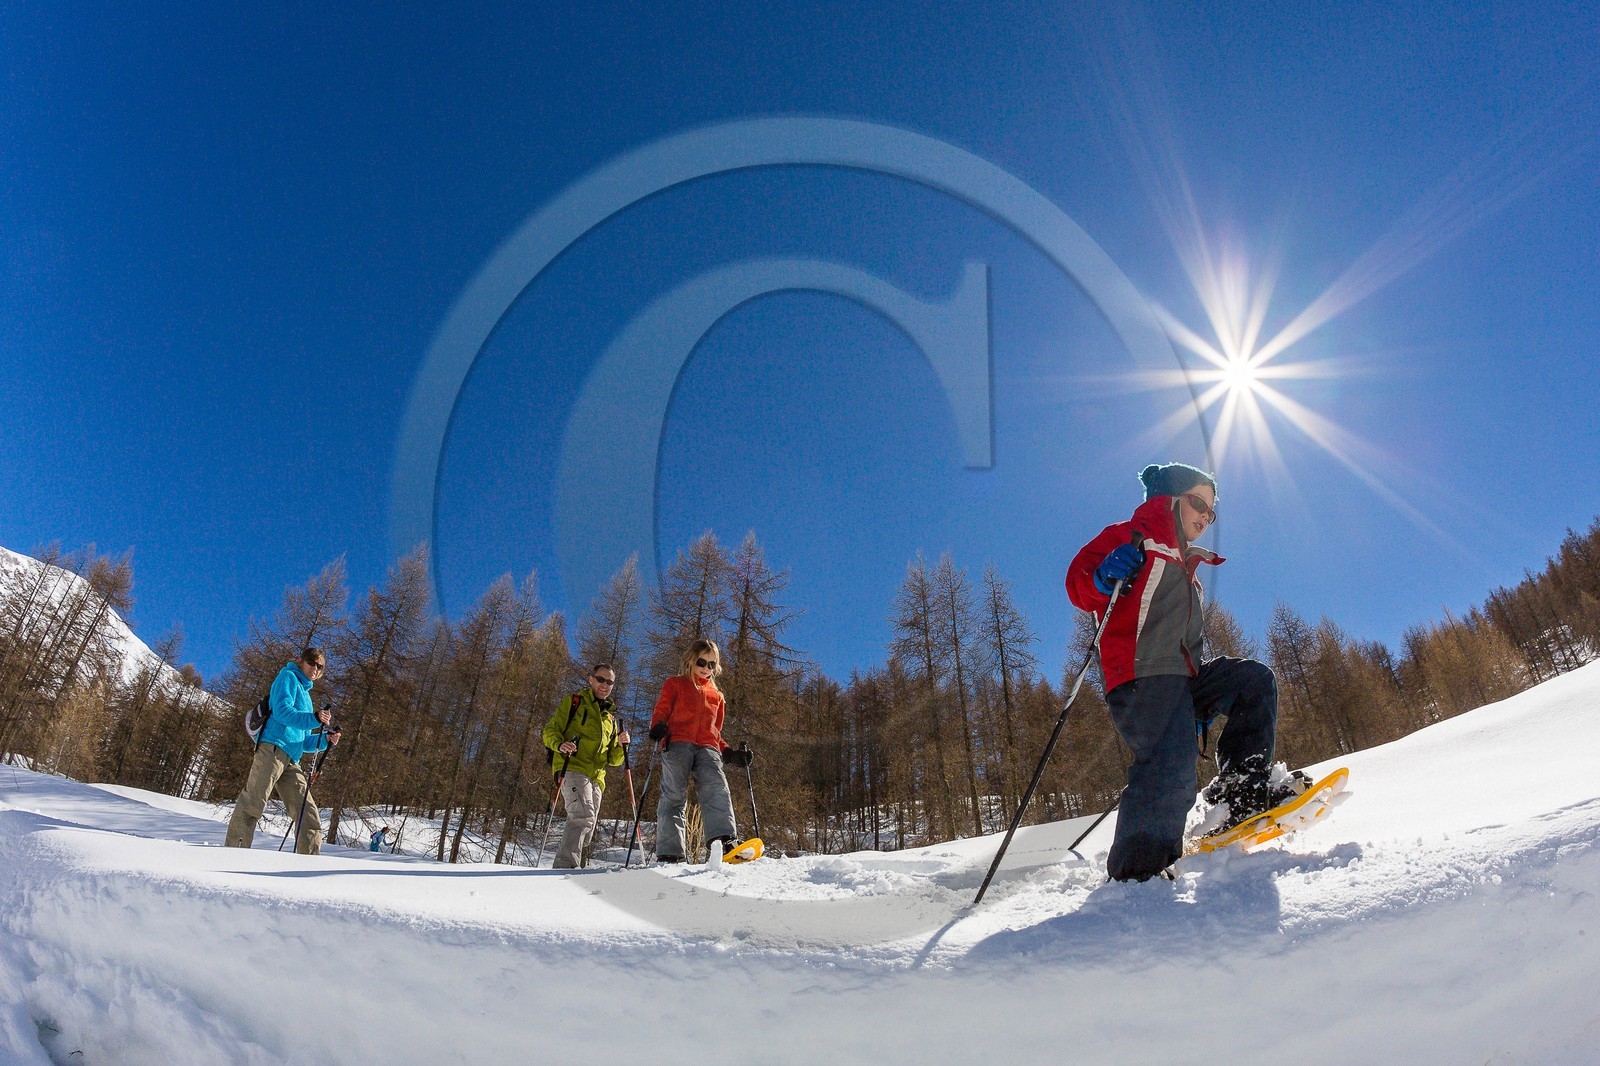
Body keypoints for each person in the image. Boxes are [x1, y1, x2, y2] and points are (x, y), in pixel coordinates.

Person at [1067, 462, 1296, 883]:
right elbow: (1078, 584)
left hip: (1184, 678)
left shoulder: (1188, 567)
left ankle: (1240, 794)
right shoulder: (1131, 537)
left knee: (1253, 681)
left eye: (1212, 513)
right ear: (1168, 499)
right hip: (1141, 675)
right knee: (1172, 768)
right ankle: (1138, 876)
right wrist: (1102, 577)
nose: (1206, 518)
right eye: (1199, 504)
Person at [224, 647, 341, 854]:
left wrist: (326, 739)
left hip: (291, 759)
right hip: (273, 748)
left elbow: (303, 741)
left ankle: (308, 865)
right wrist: (314, 718)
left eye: (320, 666)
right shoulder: (287, 677)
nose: (315, 668)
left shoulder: (306, 696)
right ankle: (234, 853)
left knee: (307, 812)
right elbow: (282, 712)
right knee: (254, 802)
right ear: (301, 661)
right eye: (312, 662)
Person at [647, 639, 753, 863]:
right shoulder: (674, 683)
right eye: (702, 662)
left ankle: (723, 842)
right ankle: (670, 852)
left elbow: (715, 731)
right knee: (673, 795)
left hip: (708, 747)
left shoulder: (717, 696)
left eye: (712, 664)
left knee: (716, 787)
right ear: (691, 660)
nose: (706, 668)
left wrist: (729, 753)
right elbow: (662, 709)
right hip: (678, 743)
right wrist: (658, 726)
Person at [541, 663, 631, 869]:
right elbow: (550, 731)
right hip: (572, 766)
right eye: (601, 679)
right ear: (591, 680)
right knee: (582, 816)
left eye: (610, 682)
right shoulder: (574, 702)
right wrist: (560, 744)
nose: (605, 685)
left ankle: (569, 865)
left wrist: (620, 745)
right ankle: (565, 868)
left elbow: (613, 760)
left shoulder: (610, 718)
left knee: (587, 829)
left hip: (597, 777)